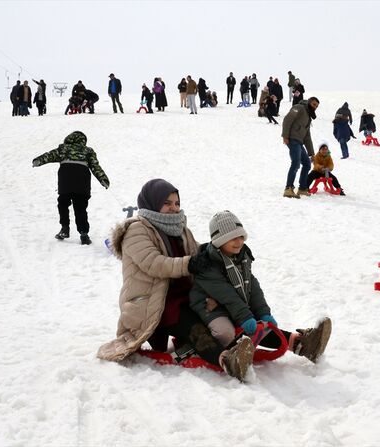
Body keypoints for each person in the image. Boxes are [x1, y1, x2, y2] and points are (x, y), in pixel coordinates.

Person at [96, 180, 255, 382]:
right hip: (151, 303)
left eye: (176, 203)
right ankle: (226, 360)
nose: (173, 208)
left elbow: (197, 251)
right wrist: (190, 264)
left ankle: (296, 342)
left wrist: (221, 250)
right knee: (194, 326)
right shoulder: (137, 230)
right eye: (167, 203)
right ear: (152, 203)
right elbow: (154, 263)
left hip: (185, 296)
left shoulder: (180, 229)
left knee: (223, 310)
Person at [189, 210, 332, 365]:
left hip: (230, 303)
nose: (239, 242)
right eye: (232, 238)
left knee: (259, 324)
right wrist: (245, 317)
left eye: (241, 237)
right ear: (219, 241)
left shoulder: (241, 257)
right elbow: (227, 295)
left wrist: (263, 313)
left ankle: (303, 345)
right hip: (209, 306)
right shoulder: (207, 265)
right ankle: (224, 353)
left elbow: (253, 288)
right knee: (226, 332)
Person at [31, 131, 110, 245]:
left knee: (63, 203)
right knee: (80, 207)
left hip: (66, 179)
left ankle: (64, 228)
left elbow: (49, 155)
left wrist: (38, 161)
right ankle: (84, 234)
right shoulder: (88, 151)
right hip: (82, 181)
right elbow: (95, 166)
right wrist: (103, 179)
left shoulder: (63, 148)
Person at [281, 97, 319, 198]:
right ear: (309, 102)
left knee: (307, 164)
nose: (315, 107)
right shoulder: (299, 107)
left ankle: (302, 189)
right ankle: (288, 189)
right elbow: (287, 119)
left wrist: (312, 154)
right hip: (292, 139)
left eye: (316, 106)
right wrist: (285, 135)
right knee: (296, 163)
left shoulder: (308, 117)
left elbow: (307, 136)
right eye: (314, 104)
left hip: (299, 142)